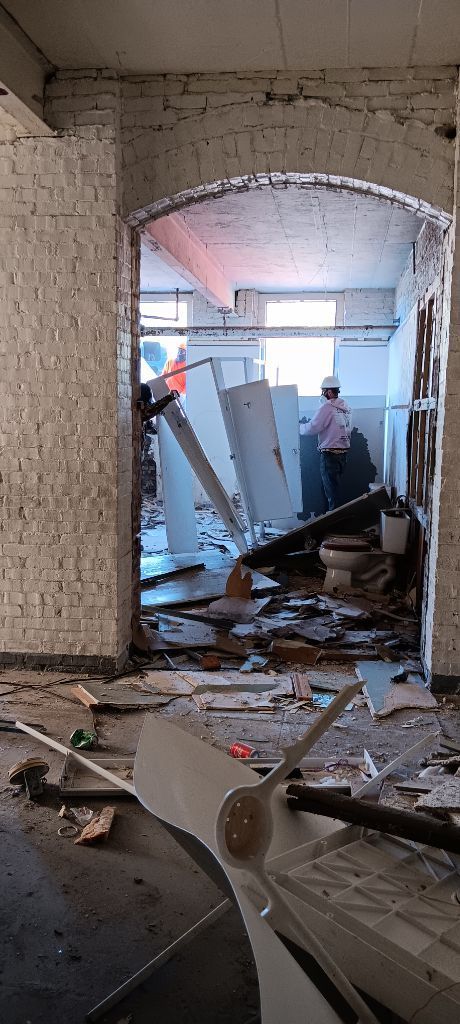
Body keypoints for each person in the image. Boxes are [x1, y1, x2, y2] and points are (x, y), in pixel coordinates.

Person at [300, 375, 351, 512]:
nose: (322, 394)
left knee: (332, 494)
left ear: (328, 392)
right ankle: (336, 518)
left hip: (330, 456)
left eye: (323, 391)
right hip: (343, 455)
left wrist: (298, 428)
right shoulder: (345, 407)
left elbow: (313, 427)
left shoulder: (327, 407)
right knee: (335, 491)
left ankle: (334, 522)